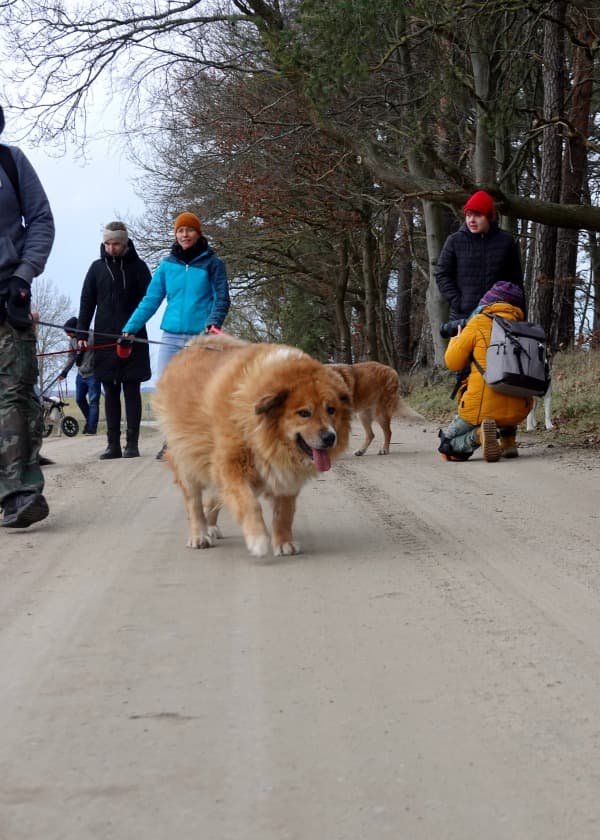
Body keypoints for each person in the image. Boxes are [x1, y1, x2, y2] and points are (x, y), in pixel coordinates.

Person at [121, 211, 230, 459]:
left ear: (198, 233)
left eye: (189, 230)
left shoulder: (213, 263)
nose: (184, 234)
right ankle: (171, 442)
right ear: (176, 234)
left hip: (201, 337)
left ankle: (205, 443)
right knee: (167, 389)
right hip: (170, 336)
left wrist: (213, 323)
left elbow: (222, 298)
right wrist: (130, 328)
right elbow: (150, 300)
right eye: (180, 230)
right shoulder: (167, 265)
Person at [0, 104, 55, 528]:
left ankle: (20, 492)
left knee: (18, 392)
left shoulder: (11, 161)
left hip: (10, 295)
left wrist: (23, 274)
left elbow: (40, 219)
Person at [77, 221, 151, 459]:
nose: (111, 248)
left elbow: (149, 302)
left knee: (131, 388)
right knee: (109, 390)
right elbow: (87, 302)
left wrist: (134, 329)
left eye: (116, 243)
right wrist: (81, 334)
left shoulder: (139, 268)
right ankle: (112, 445)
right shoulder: (96, 269)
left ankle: (132, 443)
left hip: (134, 337)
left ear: (125, 242)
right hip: (104, 337)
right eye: (107, 243)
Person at [437, 281, 534, 463]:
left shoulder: (479, 323)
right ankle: (508, 442)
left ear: (489, 304)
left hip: (481, 406)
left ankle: (479, 434)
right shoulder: (525, 328)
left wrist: (456, 338)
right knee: (509, 385)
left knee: (447, 447)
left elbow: (453, 363)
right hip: (519, 409)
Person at [435, 190, 524, 322]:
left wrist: (520, 315)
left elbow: (515, 283)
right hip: (462, 317)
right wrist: (458, 301)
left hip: (497, 317)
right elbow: (442, 274)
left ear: (488, 216)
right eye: (468, 215)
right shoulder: (454, 241)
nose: (471, 220)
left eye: (477, 215)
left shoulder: (506, 242)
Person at [57, 316, 101, 435]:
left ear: (75, 330)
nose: (68, 335)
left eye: (69, 332)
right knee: (79, 399)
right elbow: (71, 357)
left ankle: (92, 428)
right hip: (80, 374)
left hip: (93, 374)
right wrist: (64, 372)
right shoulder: (72, 341)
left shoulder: (92, 336)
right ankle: (89, 421)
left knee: (93, 401)